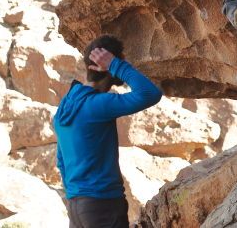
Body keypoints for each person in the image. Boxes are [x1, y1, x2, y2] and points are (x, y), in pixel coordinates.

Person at [53, 35, 162, 228]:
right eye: (119, 59)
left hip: (76, 206)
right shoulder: (97, 105)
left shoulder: (66, 106)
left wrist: (75, 193)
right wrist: (115, 65)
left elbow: (61, 161)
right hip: (102, 205)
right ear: (104, 67)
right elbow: (150, 94)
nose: (123, 63)